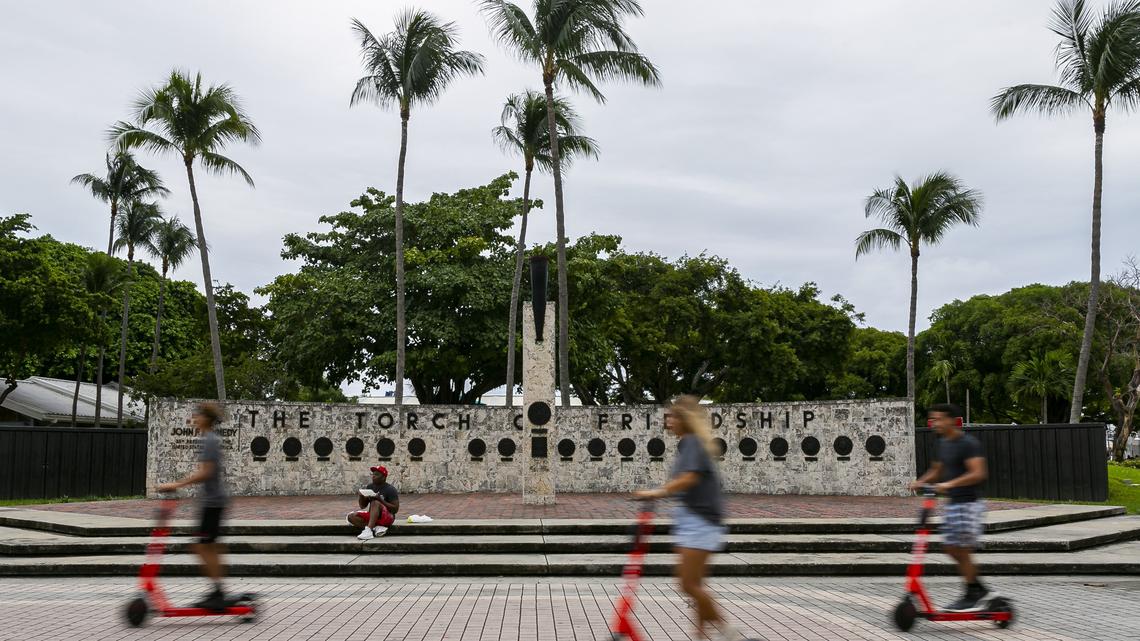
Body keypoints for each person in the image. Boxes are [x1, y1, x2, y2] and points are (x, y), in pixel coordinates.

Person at [634, 396, 744, 641]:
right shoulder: (688, 443)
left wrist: (658, 492)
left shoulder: (692, 442)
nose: (668, 421)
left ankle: (729, 632)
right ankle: (700, 635)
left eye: (672, 417)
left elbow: (690, 478)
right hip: (694, 520)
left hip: (700, 521)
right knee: (695, 584)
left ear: (683, 419)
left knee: (687, 584)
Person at [910, 402, 991, 612]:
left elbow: (978, 473)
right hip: (953, 504)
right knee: (950, 548)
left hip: (969, 504)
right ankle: (977, 588)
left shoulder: (968, 443)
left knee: (961, 550)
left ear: (950, 420)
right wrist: (921, 482)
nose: (933, 423)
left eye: (937, 419)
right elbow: (937, 471)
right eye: (932, 419)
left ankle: (973, 592)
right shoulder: (942, 443)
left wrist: (949, 484)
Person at [157, 402, 229, 611]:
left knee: (202, 546)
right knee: (207, 546)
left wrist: (177, 484)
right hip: (211, 502)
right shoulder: (208, 439)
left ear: (206, 418)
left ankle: (218, 592)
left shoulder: (210, 440)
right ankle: (217, 591)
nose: (194, 420)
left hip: (213, 502)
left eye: (197, 416)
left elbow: (206, 472)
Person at [348, 465, 400, 540]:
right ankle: (376, 528)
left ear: (384, 477)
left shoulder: (390, 489)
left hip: (387, 517)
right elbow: (363, 506)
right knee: (351, 516)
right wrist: (361, 496)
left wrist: (380, 500)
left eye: (377, 474)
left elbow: (395, 509)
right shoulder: (370, 487)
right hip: (373, 516)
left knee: (375, 502)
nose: (373, 476)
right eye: (373, 474)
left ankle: (369, 531)